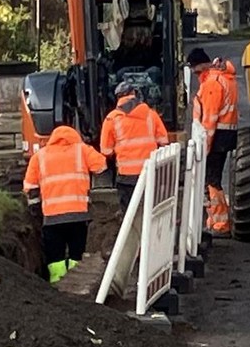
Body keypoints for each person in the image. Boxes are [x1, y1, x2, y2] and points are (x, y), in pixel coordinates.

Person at [22, 125, 107, 284]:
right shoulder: (82, 150)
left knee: (55, 257)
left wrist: (36, 211)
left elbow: (30, 186)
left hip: (52, 218)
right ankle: (77, 284)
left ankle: (57, 285)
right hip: (78, 215)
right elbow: (101, 165)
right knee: (77, 253)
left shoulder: (40, 156)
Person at [98, 80, 170, 211]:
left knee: (129, 213)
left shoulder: (111, 118)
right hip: (150, 172)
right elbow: (164, 141)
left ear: (118, 97)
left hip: (126, 176)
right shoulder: (151, 114)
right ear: (134, 93)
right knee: (151, 210)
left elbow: (106, 151)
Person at [189, 47, 235, 235]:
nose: (195, 76)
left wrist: (204, 147)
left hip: (215, 138)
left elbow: (209, 119)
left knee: (211, 181)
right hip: (224, 136)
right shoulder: (225, 78)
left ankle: (219, 223)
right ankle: (216, 220)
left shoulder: (212, 83)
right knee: (213, 180)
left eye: (196, 71)